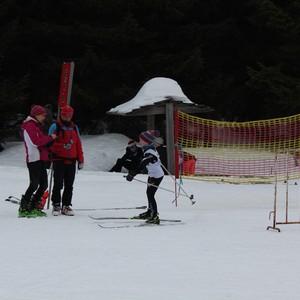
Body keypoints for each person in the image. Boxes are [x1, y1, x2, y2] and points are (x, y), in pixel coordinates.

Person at [19, 105, 57, 218]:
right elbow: (36, 142)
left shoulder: (37, 126)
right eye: (42, 115)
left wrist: (49, 146)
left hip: (41, 158)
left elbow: (41, 142)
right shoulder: (30, 126)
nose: (44, 117)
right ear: (36, 115)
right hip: (33, 159)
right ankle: (23, 207)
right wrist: (50, 138)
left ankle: (34, 206)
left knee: (44, 184)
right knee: (34, 184)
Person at [48, 105, 84, 216]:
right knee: (58, 184)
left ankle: (66, 205)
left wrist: (81, 159)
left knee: (69, 184)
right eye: (65, 115)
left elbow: (78, 144)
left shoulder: (74, 127)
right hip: (59, 160)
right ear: (61, 115)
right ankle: (56, 204)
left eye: (69, 115)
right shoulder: (55, 127)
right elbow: (49, 144)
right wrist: (62, 146)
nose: (67, 117)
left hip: (72, 160)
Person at [126, 130, 164, 225]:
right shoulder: (147, 149)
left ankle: (154, 216)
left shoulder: (150, 153)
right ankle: (149, 212)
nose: (139, 140)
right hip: (152, 175)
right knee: (148, 193)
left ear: (147, 141)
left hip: (156, 176)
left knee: (150, 194)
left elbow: (143, 164)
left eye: (141, 139)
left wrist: (133, 173)